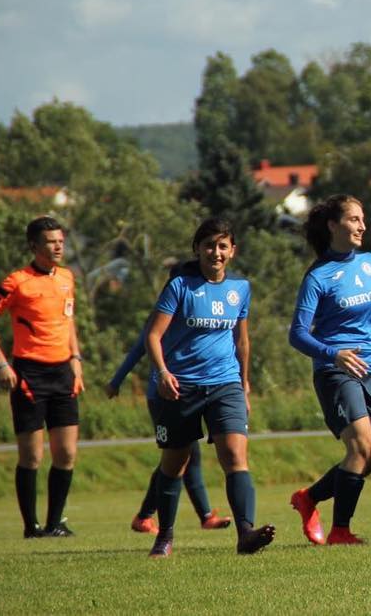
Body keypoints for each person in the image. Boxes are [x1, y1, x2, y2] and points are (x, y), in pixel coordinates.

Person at [287, 195, 371, 546]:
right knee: (361, 446)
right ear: (333, 226)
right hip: (336, 372)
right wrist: (334, 354)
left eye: (363, 219)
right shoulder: (318, 276)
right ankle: (340, 531)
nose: (363, 226)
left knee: (370, 456)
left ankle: (309, 498)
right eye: (354, 219)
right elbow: (297, 334)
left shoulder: (369, 262)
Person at [144, 217, 274, 557]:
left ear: (232, 251)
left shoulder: (240, 289)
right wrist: (163, 373)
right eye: (208, 245)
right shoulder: (179, 287)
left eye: (222, 246)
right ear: (197, 249)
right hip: (182, 387)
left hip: (225, 384)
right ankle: (165, 537)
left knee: (235, 456)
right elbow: (153, 336)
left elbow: (241, 341)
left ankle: (246, 534)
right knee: (175, 464)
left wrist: (244, 384)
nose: (215, 252)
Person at [105, 258, 232, 535]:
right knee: (180, 457)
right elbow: (139, 348)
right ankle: (189, 516)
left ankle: (155, 515)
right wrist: (116, 381)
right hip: (164, 394)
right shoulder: (163, 315)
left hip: (186, 390)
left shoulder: (193, 311)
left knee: (181, 458)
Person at [0, 216, 84, 538]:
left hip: (63, 373)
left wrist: (76, 359)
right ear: (34, 245)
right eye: (50, 241)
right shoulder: (17, 282)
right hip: (30, 373)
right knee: (32, 455)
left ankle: (56, 523)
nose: (58, 246)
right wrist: (2, 363)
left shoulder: (67, 278)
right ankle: (31, 526)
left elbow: (68, 321)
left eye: (60, 240)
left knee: (67, 453)